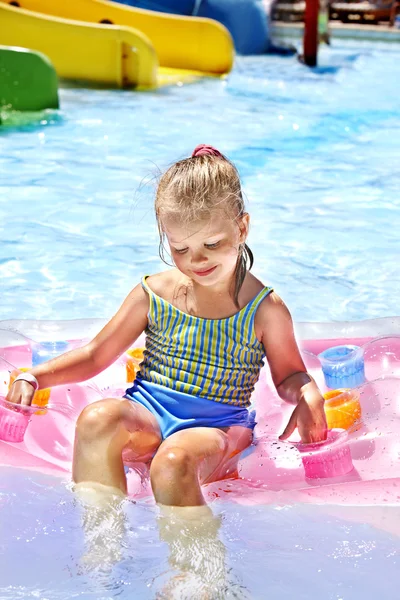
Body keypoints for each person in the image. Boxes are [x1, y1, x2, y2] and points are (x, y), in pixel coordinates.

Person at [6, 144, 328, 508]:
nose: (197, 260)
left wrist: (306, 393)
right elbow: (96, 355)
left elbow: (289, 377)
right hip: (148, 414)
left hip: (216, 428)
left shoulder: (263, 309)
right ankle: (102, 541)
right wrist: (33, 377)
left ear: (242, 228)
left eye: (211, 243)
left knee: (172, 461)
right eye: (180, 248)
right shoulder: (154, 294)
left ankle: (192, 564)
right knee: (97, 419)